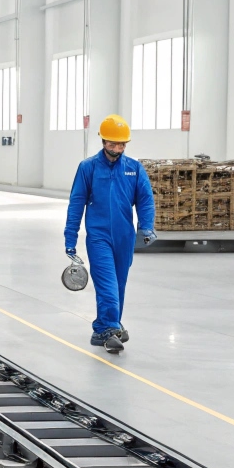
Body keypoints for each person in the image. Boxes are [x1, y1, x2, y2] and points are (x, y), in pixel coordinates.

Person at [64, 114, 155, 355]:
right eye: (113, 144)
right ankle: (107, 328)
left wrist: (146, 227)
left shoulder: (134, 169)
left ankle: (108, 326)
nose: (118, 148)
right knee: (107, 284)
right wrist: (70, 238)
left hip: (124, 237)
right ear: (103, 141)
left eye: (122, 144)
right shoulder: (88, 168)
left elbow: (145, 199)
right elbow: (76, 204)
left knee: (120, 284)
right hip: (98, 236)